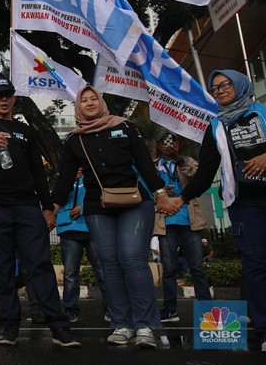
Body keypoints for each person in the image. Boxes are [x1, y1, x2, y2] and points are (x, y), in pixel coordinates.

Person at [0, 77, 79, 348]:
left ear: (14, 98)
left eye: (8, 95)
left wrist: (47, 207)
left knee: (40, 265)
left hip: (27, 207)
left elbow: (38, 171)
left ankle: (58, 326)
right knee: (2, 268)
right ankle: (9, 326)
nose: (4, 100)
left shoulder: (25, 131)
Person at [51, 85, 169, 349]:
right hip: (98, 206)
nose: (89, 102)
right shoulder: (74, 140)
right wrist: (52, 208)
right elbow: (65, 178)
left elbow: (144, 162)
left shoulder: (125, 126)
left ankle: (145, 326)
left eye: (93, 98)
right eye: (84, 100)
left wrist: (160, 192)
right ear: (78, 107)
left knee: (133, 260)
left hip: (134, 201)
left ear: (101, 102)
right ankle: (121, 324)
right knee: (110, 265)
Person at [161, 70, 266, 353]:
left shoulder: (262, 113)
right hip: (245, 204)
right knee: (257, 264)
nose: (219, 90)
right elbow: (205, 172)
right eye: (214, 88)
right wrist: (182, 199)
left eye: (225, 84)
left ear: (240, 85)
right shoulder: (216, 126)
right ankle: (264, 329)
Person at [152, 131, 212, 324]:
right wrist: (159, 193)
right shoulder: (154, 166)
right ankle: (170, 310)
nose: (168, 145)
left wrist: (180, 161)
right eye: (164, 142)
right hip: (166, 221)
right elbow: (145, 189)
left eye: (172, 141)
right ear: (158, 145)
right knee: (169, 269)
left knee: (197, 267)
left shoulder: (188, 161)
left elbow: (199, 178)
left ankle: (207, 312)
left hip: (189, 220)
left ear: (178, 144)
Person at [55, 169, 109, 324]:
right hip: (69, 228)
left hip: (93, 227)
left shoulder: (95, 174)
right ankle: (70, 309)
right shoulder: (62, 176)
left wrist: (83, 207)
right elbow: (56, 199)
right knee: (70, 273)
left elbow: (103, 196)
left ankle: (111, 308)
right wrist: (68, 179)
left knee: (103, 271)